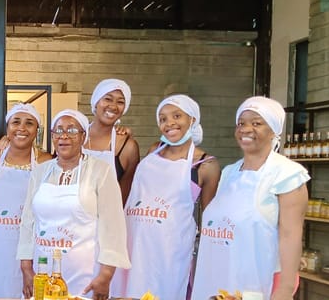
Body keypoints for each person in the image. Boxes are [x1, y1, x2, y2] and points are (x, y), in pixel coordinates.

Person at [191, 96, 309, 300]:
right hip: (214, 278)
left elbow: (291, 236)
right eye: (241, 123)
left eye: (256, 123)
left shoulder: (287, 174)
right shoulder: (229, 172)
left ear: (273, 130)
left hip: (253, 282)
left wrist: (285, 289)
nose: (245, 129)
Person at [110, 94, 220, 300]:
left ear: (192, 120)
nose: (169, 123)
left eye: (177, 116)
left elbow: (211, 217)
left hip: (169, 251)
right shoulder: (153, 151)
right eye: (163, 118)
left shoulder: (206, 165)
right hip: (134, 242)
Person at [18, 109, 131, 300]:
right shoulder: (40, 172)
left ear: (83, 136)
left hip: (86, 276)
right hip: (43, 273)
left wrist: (105, 275)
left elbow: (114, 226)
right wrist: (27, 267)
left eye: (71, 130)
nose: (64, 136)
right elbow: (27, 222)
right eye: (58, 131)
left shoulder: (100, 171)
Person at [0, 103, 53, 298]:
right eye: (16, 122)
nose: (22, 128)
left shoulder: (45, 161)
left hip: (26, 243)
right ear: (7, 128)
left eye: (29, 123)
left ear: (36, 130)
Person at [85, 78, 141, 202]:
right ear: (96, 102)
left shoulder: (128, 147)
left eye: (120, 102)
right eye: (108, 99)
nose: (113, 106)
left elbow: (125, 195)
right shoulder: (76, 136)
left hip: (108, 217)